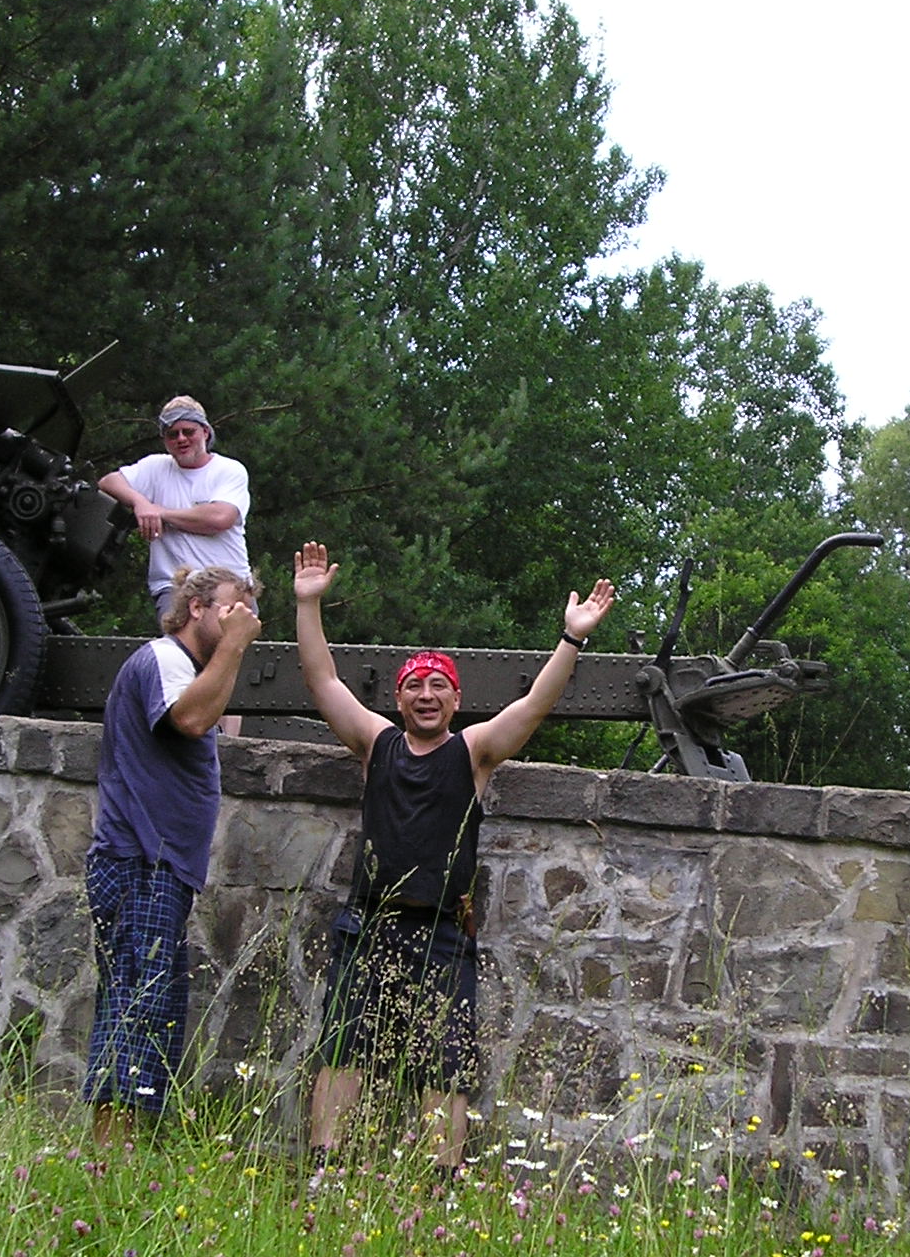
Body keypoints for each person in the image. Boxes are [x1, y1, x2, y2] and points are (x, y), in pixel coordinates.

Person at [293, 539, 615, 1172]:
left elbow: (534, 705)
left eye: (438, 685)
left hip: (442, 930)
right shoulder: (375, 742)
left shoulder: (473, 752)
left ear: (456, 700)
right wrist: (308, 604)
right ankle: (326, 1170)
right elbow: (322, 679)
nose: (426, 694)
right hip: (369, 923)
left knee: (446, 1062)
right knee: (342, 1047)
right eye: (414, 686)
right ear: (399, 700)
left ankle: (440, 1180)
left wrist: (571, 639)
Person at [83, 563, 261, 1148]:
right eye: (232, 607)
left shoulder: (195, 670)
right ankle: (108, 1154)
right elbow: (189, 718)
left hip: (161, 867)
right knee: (135, 1001)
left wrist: (226, 655)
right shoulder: (162, 658)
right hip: (139, 860)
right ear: (195, 608)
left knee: (152, 1005)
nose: (242, 620)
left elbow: (214, 723)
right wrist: (234, 648)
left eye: (247, 612)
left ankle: (123, 1147)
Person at [97, 396, 252, 619]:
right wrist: (140, 502)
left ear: (205, 432)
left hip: (229, 586)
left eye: (188, 431)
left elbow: (219, 518)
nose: (181, 439)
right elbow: (108, 482)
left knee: (233, 641)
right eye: (172, 434)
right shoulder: (155, 467)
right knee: (177, 641)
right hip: (175, 588)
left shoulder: (229, 470)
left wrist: (159, 512)